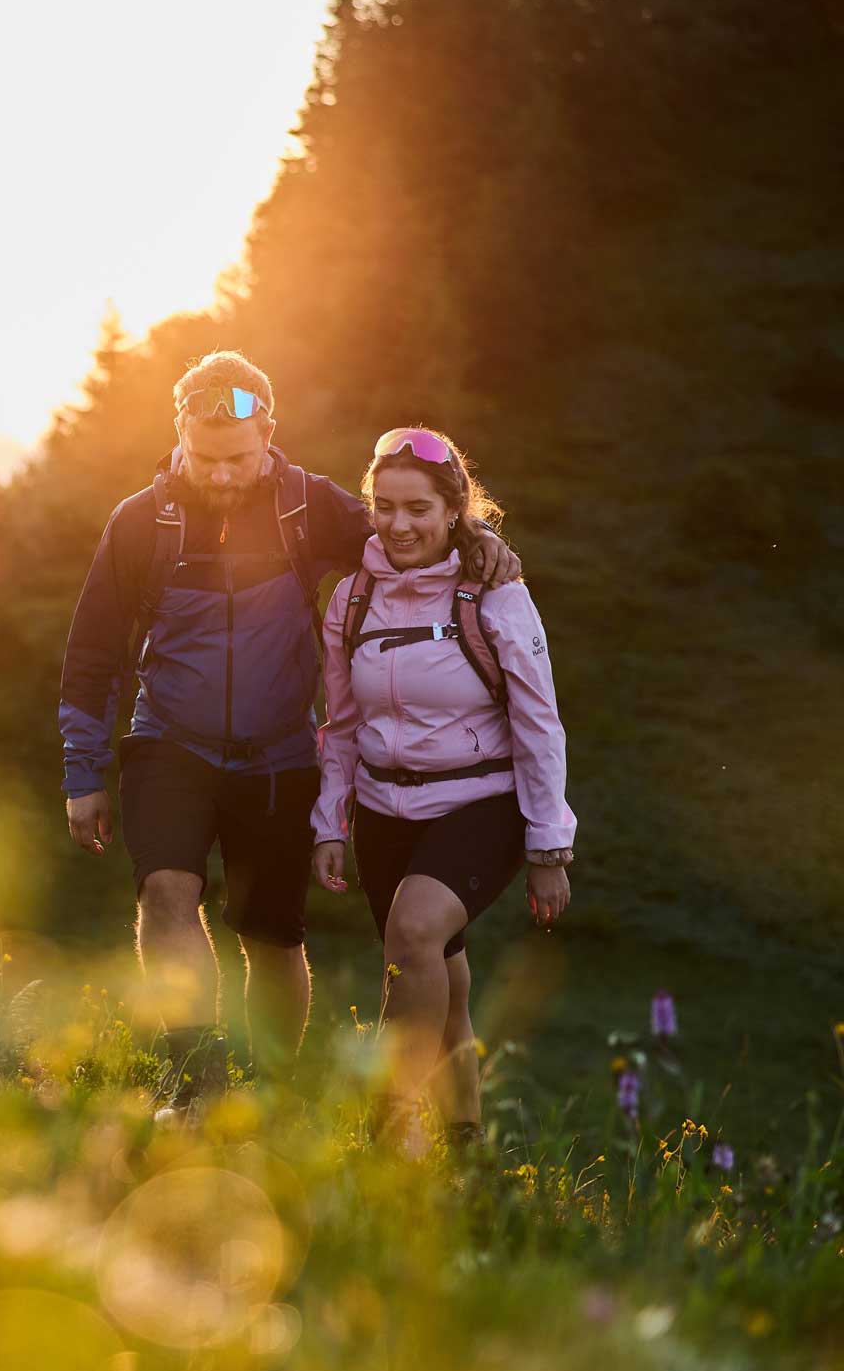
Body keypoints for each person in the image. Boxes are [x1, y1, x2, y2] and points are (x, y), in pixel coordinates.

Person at [58, 353, 519, 1099]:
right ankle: (197, 1086)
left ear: (268, 434)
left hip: (279, 757)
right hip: (169, 744)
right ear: (179, 433)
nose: (221, 474)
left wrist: (475, 541)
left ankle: (265, 1092)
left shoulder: (309, 507)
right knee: (167, 894)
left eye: (238, 458)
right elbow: (93, 654)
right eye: (204, 457)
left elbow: (406, 539)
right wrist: (83, 774)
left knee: (270, 934)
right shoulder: (141, 522)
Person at [310, 427, 574, 1155]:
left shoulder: (496, 594)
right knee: (440, 978)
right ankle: (466, 1148)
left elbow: (539, 723)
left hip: (480, 805)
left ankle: (388, 1132)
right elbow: (340, 724)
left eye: (419, 508)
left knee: (415, 933)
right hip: (383, 813)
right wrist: (331, 822)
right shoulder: (351, 599)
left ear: (454, 510)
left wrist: (548, 845)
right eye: (384, 507)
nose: (399, 525)